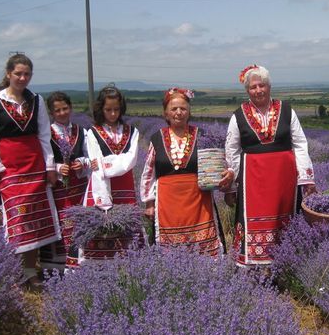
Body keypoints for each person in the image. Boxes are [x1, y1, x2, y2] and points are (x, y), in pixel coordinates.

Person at [0, 53, 60, 287]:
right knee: (14, 220)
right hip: (10, 170)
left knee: (35, 220)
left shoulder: (36, 101)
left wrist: (50, 166)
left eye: (26, 74)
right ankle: (11, 272)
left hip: (35, 168)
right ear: (8, 74)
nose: (22, 78)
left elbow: (45, 134)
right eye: (18, 73)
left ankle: (29, 272)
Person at [224, 65, 316, 267]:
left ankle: (286, 266)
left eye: (262, 85)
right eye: (253, 87)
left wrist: (306, 178)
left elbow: (300, 143)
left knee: (285, 219)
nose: (258, 90)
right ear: (247, 90)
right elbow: (231, 151)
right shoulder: (238, 116)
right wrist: (231, 187)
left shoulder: (287, 111)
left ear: (269, 86)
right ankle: (252, 269)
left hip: (284, 179)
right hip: (253, 182)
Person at [139, 88, 232, 256]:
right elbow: (148, 172)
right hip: (167, 205)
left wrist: (225, 178)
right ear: (166, 113)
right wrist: (149, 203)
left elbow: (218, 163)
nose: (179, 112)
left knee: (205, 250)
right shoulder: (157, 138)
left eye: (183, 108)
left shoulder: (203, 136)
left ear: (189, 111)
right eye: (174, 109)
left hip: (199, 203)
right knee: (169, 253)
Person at [81, 85, 143, 262]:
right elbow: (95, 159)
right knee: (100, 230)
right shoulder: (93, 132)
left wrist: (104, 163)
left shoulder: (132, 131)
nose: (113, 114)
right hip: (102, 188)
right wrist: (113, 162)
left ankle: (131, 269)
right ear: (101, 109)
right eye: (108, 110)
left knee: (129, 230)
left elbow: (130, 160)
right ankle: (100, 270)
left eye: (116, 109)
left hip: (125, 187)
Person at [39, 92, 89, 270]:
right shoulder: (47, 133)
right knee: (64, 223)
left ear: (71, 108)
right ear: (51, 113)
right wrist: (59, 168)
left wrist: (82, 163)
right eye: (57, 110)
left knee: (81, 223)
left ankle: (80, 263)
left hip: (80, 187)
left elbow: (89, 155)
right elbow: (43, 158)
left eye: (65, 108)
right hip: (59, 188)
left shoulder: (81, 130)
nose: (62, 113)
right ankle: (61, 266)